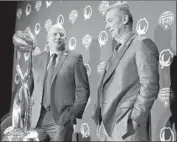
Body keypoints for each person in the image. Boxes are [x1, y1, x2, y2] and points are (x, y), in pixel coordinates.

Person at [91, 3, 159, 141]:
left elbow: (149, 85)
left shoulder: (142, 44)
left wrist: (134, 120)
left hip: (127, 128)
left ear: (124, 19)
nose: (106, 26)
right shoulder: (116, 51)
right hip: (106, 128)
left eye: (110, 21)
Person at [30, 24, 90, 141]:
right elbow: (30, 88)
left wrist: (71, 115)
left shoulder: (74, 58)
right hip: (37, 119)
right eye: (54, 34)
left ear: (66, 39)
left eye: (61, 35)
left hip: (61, 121)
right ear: (47, 38)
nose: (58, 37)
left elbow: (83, 91)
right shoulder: (37, 59)